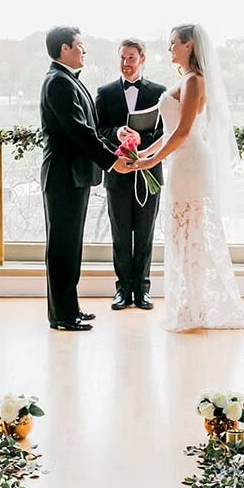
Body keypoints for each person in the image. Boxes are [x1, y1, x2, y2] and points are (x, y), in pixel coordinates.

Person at [133, 24, 244, 332]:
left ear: (188, 46)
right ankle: (189, 303)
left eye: (173, 43)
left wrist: (154, 160)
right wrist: (144, 155)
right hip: (181, 162)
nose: (169, 48)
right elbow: (170, 132)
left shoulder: (195, 80)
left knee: (192, 233)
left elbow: (183, 132)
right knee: (182, 235)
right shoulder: (184, 80)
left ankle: (198, 306)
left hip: (192, 161)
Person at [40, 26, 133, 332]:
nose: (84, 51)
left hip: (74, 176)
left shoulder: (67, 80)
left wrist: (116, 151)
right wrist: (112, 162)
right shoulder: (58, 83)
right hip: (63, 177)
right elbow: (79, 132)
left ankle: (70, 309)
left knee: (71, 245)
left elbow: (90, 132)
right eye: (80, 46)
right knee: (62, 247)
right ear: (65, 49)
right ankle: (62, 317)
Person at [95, 38, 167, 311]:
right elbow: (97, 131)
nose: (126, 64)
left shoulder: (160, 92)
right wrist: (117, 133)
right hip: (117, 174)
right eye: (122, 58)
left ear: (143, 59)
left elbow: (165, 133)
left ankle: (143, 290)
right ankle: (122, 290)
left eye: (131, 58)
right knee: (121, 235)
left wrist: (143, 138)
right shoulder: (104, 92)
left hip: (150, 172)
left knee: (146, 234)